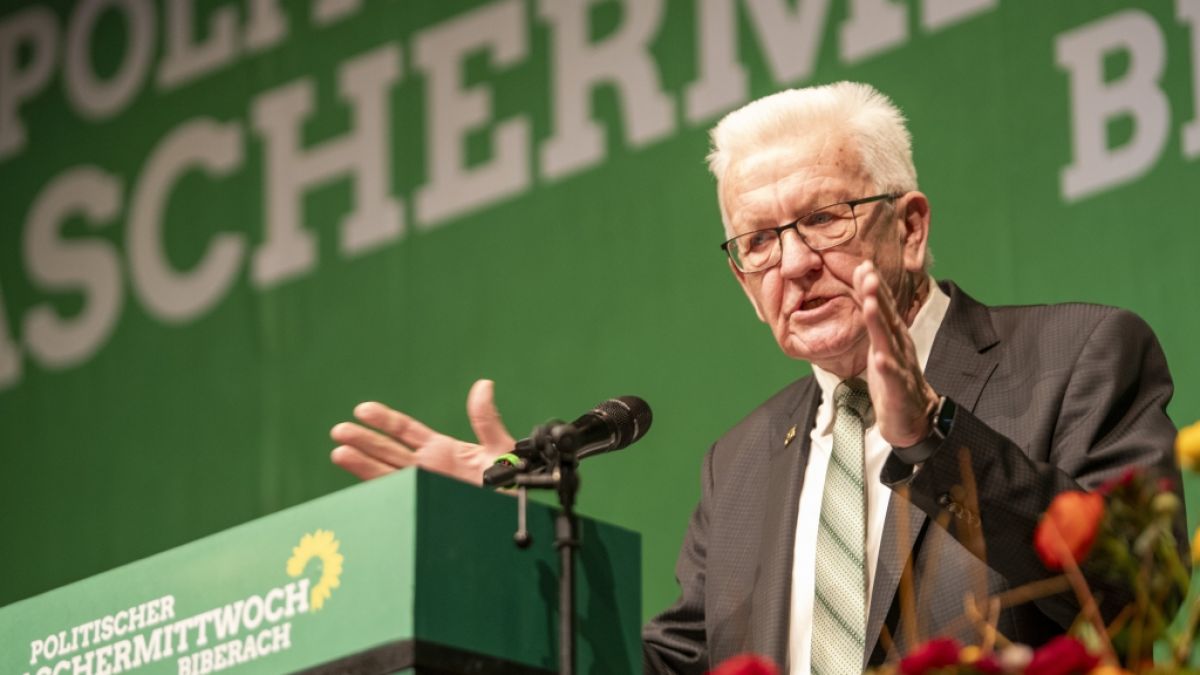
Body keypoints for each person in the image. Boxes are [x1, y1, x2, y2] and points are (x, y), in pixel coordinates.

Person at [329, 82, 1184, 673]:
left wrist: (931, 430)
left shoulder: (1079, 356)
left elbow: (1136, 588)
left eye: (822, 218)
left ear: (911, 227)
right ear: (741, 275)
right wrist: (499, 553)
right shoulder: (737, 467)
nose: (796, 264)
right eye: (759, 242)